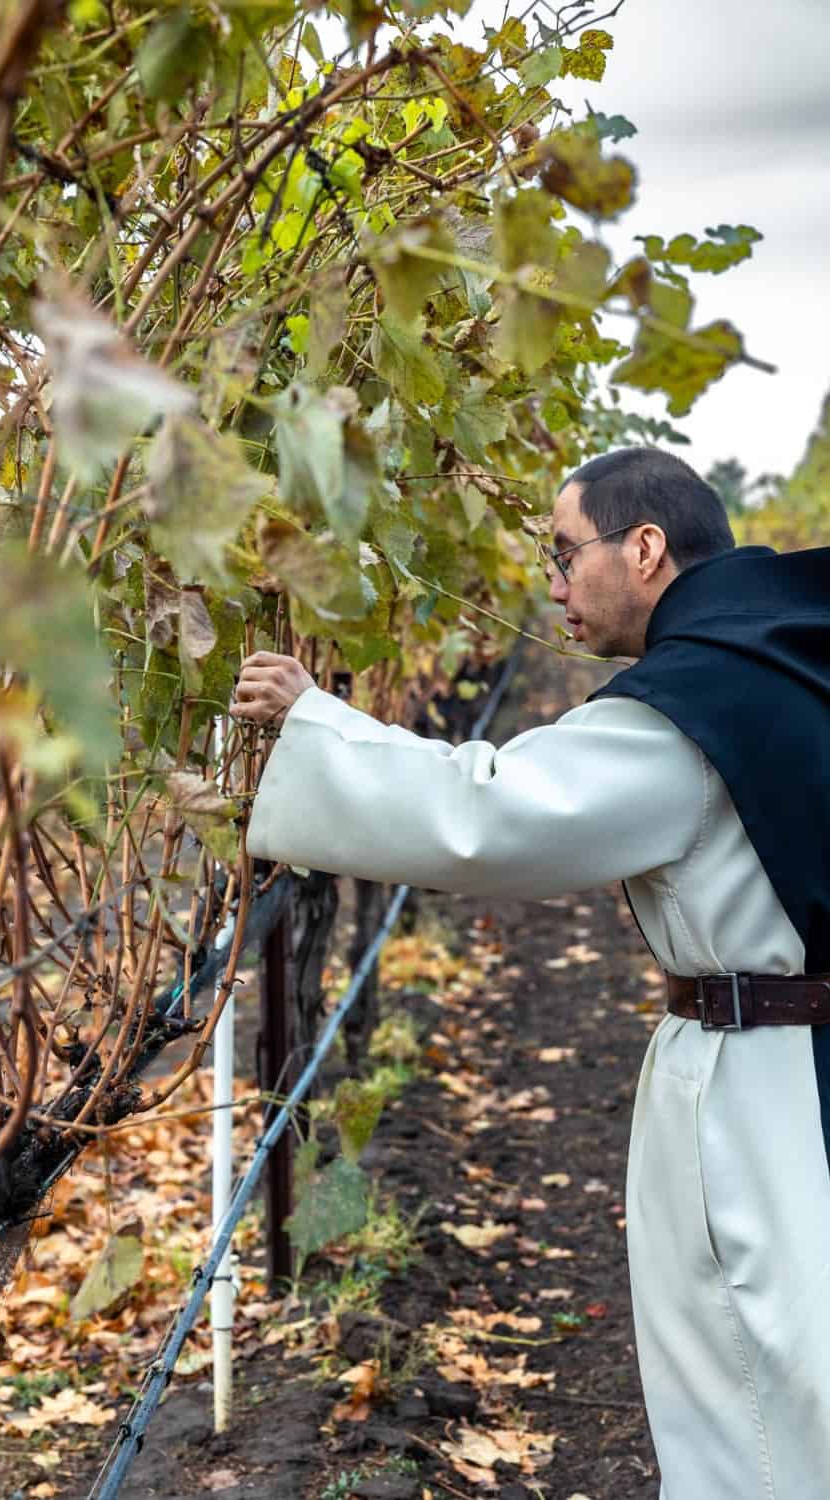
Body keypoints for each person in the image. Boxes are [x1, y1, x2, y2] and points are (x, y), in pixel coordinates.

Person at [230, 446, 830, 1500]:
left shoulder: (692, 705)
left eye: (563, 553)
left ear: (644, 549)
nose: (551, 585)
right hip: (801, 1058)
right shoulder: (791, 652)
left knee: (760, 1385)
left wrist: (314, 723)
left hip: (764, 1083)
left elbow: (494, 814)